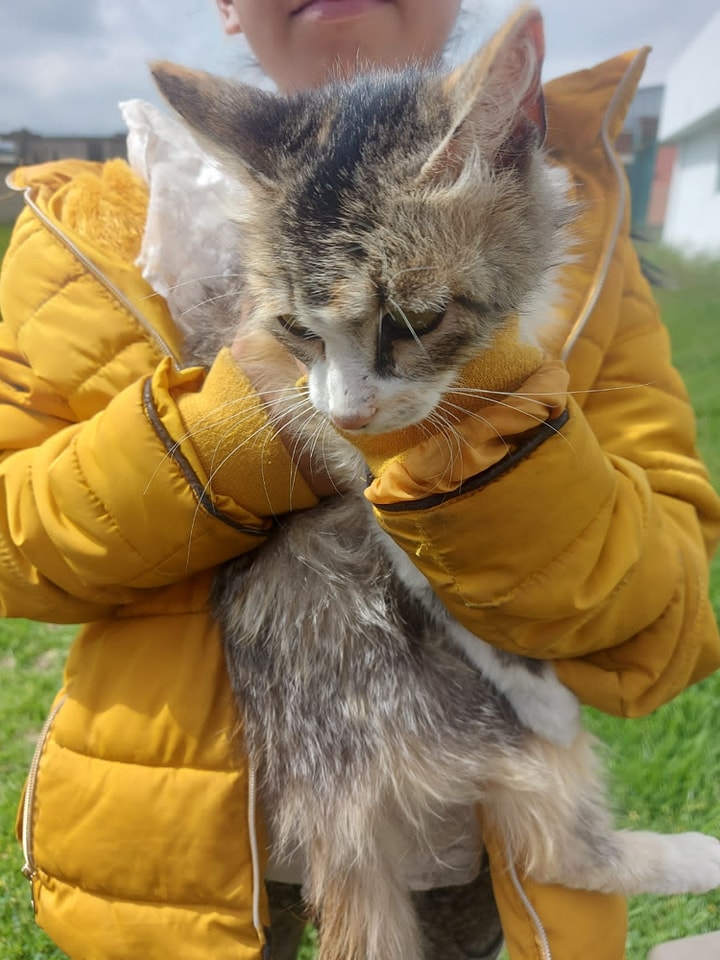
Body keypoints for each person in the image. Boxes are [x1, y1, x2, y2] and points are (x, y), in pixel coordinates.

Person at [1, 1, 719, 959]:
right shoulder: (87, 222)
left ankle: (585, 848)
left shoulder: (581, 236)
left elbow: (664, 624)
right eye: (305, 334)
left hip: (481, 839)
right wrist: (232, 440)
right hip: (175, 848)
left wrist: (487, 450)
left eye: (410, 322)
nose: (342, 407)